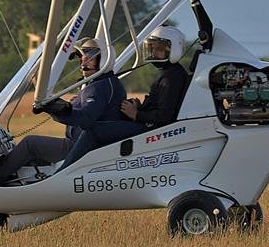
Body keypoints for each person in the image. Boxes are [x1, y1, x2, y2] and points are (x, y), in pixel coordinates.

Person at [0, 37, 125, 184]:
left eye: (90, 57)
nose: (83, 61)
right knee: (30, 153)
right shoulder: (102, 83)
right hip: (82, 143)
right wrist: (63, 106)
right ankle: (17, 183)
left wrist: (57, 109)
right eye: (81, 57)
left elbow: (85, 119)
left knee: (30, 144)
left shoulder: (100, 86)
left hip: (81, 147)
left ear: (103, 59)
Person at [64, 26, 189, 159]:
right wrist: (139, 107)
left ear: (174, 50)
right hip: (149, 124)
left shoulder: (171, 77)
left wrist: (136, 114)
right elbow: (160, 105)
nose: (153, 52)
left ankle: (68, 167)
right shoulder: (170, 73)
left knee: (93, 130)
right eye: (152, 48)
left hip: (153, 130)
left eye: (159, 49)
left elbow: (164, 116)